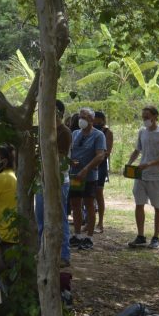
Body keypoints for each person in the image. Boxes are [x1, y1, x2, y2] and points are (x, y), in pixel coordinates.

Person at [126, 106, 159, 249]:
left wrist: (149, 164)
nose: (145, 119)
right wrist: (129, 164)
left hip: (157, 176)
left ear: (155, 116)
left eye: (147, 116)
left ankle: (156, 237)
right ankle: (140, 236)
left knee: (158, 206)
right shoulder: (142, 132)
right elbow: (137, 150)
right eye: (143, 117)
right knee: (139, 204)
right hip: (141, 174)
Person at [34, 100, 73, 266]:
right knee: (40, 218)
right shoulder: (43, 130)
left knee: (60, 218)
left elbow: (60, 157)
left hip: (59, 181)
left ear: (58, 113)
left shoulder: (64, 132)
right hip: (41, 181)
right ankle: (42, 252)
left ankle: (64, 255)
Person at [69, 107, 107, 250]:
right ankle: (77, 234)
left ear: (91, 119)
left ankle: (89, 237)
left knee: (89, 205)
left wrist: (86, 169)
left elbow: (100, 155)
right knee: (75, 204)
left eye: (84, 117)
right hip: (75, 176)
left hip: (89, 177)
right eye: (80, 117)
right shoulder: (75, 134)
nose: (81, 120)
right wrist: (70, 162)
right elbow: (69, 152)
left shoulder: (98, 135)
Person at [92, 110, 114, 233]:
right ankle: (90, 222)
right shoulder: (90, 131)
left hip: (100, 166)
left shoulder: (107, 132)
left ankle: (100, 223)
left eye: (97, 121)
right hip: (89, 164)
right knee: (88, 195)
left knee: (98, 193)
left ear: (102, 120)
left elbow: (107, 152)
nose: (95, 123)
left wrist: (97, 156)